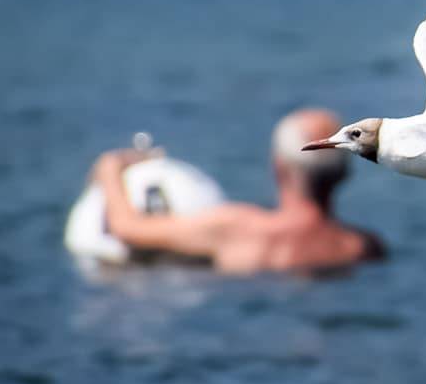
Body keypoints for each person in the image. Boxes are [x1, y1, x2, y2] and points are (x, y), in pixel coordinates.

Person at [91, 108, 386, 274]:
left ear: (279, 167)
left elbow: (127, 229)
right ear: (345, 173)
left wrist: (109, 168)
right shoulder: (363, 247)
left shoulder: (235, 228)